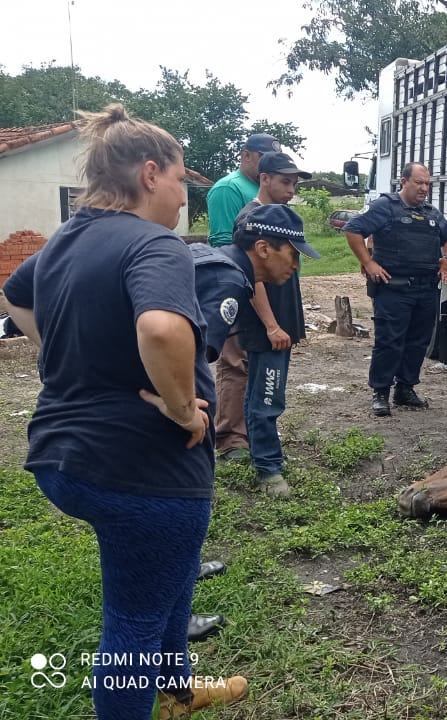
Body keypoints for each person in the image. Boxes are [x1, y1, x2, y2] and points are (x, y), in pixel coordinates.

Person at [0, 104, 247, 719]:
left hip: (65, 456)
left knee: (169, 573)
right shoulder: (152, 243)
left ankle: (178, 691)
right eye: (181, 180)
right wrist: (183, 411)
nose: (184, 198)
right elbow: (162, 328)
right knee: (132, 625)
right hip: (140, 466)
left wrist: (59, 355)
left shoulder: (66, 239)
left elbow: (14, 293)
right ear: (150, 173)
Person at [231, 153, 317, 498]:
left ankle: (263, 455)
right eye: (285, 181)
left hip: (281, 322)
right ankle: (268, 469)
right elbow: (254, 278)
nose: (292, 189)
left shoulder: (282, 219)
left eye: (295, 183)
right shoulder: (253, 221)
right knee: (267, 395)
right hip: (268, 326)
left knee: (263, 392)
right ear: (264, 178)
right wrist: (270, 325)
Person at [343, 161, 447, 417]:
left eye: (427, 183)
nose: (424, 188)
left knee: (418, 343)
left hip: (426, 288)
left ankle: (405, 389)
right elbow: (353, 230)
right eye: (419, 182)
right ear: (403, 181)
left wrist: (446, 260)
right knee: (389, 342)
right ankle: (380, 392)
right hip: (393, 289)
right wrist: (368, 262)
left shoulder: (431, 213)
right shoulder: (386, 207)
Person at [207, 132, 280, 462]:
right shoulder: (228, 189)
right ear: (247, 155)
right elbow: (227, 246)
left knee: (259, 363)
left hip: (266, 286)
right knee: (235, 362)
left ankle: (254, 431)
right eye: (263, 157)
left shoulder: (265, 190)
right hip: (238, 286)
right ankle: (231, 438)